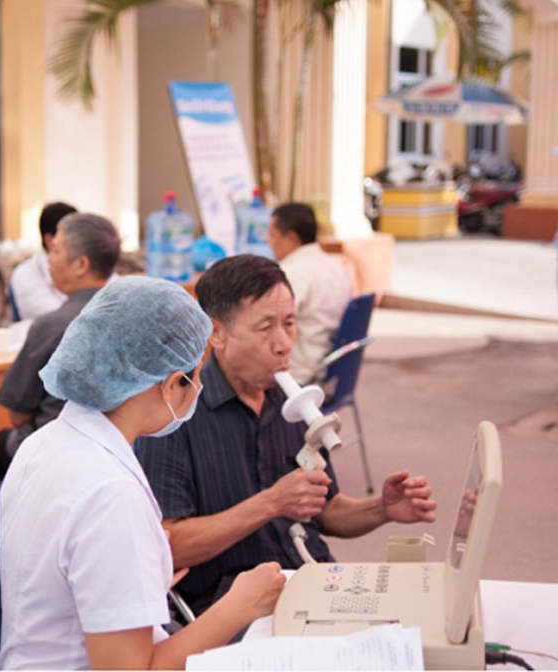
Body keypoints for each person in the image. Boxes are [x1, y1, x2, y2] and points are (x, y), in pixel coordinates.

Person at [0, 276, 286, 670]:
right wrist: (240, 605)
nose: (199, 387)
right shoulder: (110, 493)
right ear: (170, 386)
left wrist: (137, 574)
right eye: (196, 375)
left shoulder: (46, 442)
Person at [137, 255, 437, 617]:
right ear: (216, 332)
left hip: (313, 580)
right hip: (234, 604)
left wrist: (381, 509)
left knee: (413, 622)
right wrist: (271, 502)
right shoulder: (176, 416)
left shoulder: (292, 403)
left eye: (290, 323)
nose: (283, 344)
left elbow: (326, 511)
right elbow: (169, 547)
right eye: (266, 328)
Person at [0, 212, 120, 481]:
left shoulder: (53, 325)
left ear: (81, 264)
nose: (49, 260)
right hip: (116, 448)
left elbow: (18, 414)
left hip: (54, 454)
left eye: (55, 250)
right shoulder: (131, 314)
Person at [267, 202, 352, 385]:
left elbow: (269, 325)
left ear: (291, 238)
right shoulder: (336, 267)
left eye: (272, 235)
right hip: (331, 368)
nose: (268, 241)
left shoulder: (291, 274)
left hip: (299, 375)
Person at [8, 201, 77, 320]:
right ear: (50, 241)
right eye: (74, 236)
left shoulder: (83, 265)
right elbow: (58, 319)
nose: (80, 242)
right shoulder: (25, 274)